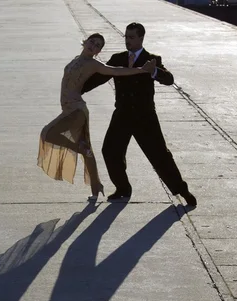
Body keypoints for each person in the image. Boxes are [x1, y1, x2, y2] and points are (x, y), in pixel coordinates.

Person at [81, 23, 197, 207]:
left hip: (145, 118)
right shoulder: (117, 58)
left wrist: (154, 71)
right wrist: (76, 89)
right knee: (110, 151)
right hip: (122, 115)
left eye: (132, 37)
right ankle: (123, 189)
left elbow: (169, 79)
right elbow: (99, 78)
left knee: (160, 156)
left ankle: (182, 190)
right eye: (126, 37)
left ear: (141, 38)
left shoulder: (151, 59)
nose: (128, 41)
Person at [37, 33, 156, 203]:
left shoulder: (93, 64)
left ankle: (81, 149)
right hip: (67, 109)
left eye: (98, 45)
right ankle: (96, 186)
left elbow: (116, 71)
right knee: (83, 148)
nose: (93, 45)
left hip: (76, 110)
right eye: (92, 41)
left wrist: (140, 70)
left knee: (47, 134)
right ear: (85, 41)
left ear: (98, 51)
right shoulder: (76, 59)